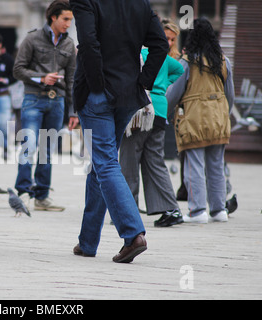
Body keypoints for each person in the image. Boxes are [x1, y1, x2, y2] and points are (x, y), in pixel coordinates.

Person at [70, 0, 168, 262]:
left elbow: (89, 44)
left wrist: (97, 85)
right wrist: (143, 82)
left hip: (98, 93)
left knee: (105, 162)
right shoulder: (140, 3)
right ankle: (88, 241)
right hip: (127, 92)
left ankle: (133, 234)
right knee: (101, 162)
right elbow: (161, 45)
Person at [166, 18, 235, 224]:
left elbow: (173, 94)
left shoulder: (187, 62)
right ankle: (219, 209)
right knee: (216, 165)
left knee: (193, 165)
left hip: (194, 120)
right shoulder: (223, 61)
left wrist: (168, 113)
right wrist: (223, 113)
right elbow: (229, 95)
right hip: (219, 119)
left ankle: (197, 211)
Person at [13, 0, 77, 212]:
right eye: (65, 19)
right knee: (29, 145)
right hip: (33, 98)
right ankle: (23, 192)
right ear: (53, 17)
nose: (68, 23)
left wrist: (73, 110)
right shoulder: (32, 38)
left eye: (70, 19)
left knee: (47, 150)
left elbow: (71, 81)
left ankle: (42, 196)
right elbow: (18, 69)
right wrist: (41, 77)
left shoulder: (69, 45)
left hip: (57, 102)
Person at [119, 20, 185, 228]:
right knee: (155, 161)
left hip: (140, 110)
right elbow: (178, 70)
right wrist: (162, 85)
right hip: (160, 111)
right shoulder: (164, 58)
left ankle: (127, 211)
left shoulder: (139, 53)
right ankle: (171, 209)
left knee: (129, 160)